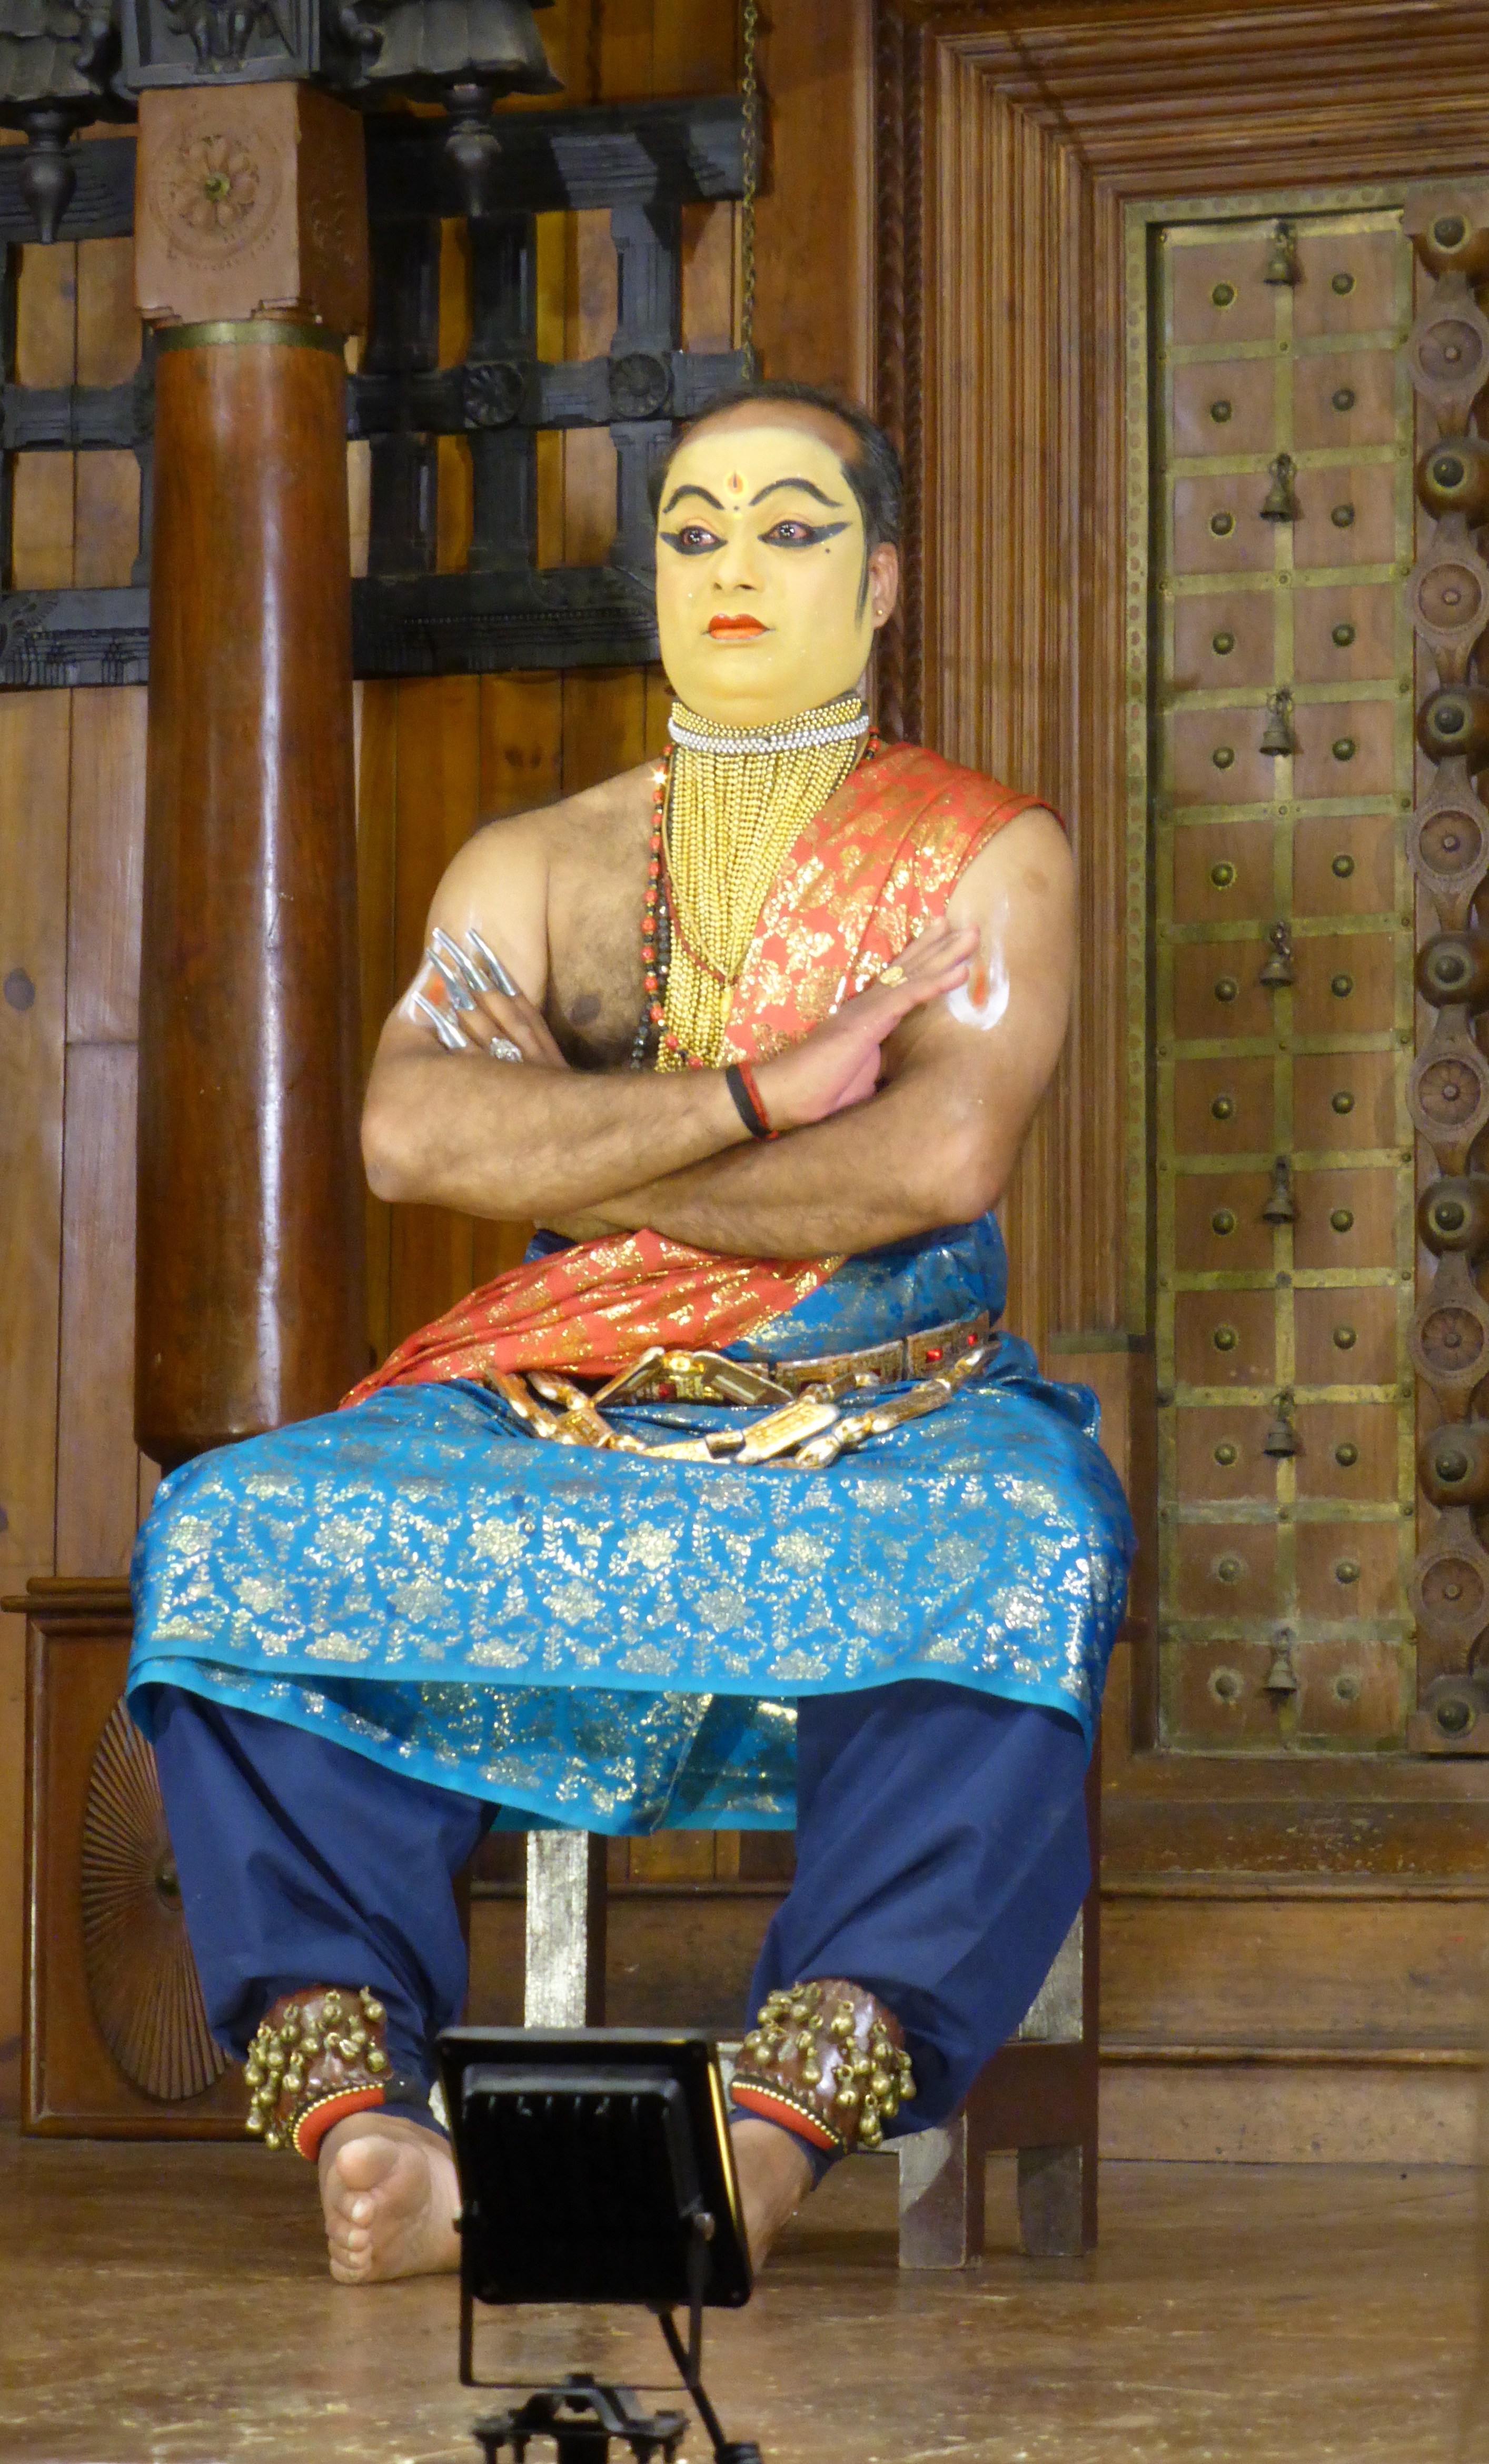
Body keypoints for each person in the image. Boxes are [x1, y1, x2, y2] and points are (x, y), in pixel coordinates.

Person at [127, 379, 1133, 2287]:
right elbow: (409, 1135)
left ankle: (771, 2129)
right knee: (232, 1530)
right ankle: (372, 2127)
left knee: (1031, 1538)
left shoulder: (983, 859)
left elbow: (928, 1162)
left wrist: (580, 1154)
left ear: (882, 577)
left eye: (790, 527)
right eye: (692, 531)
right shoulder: (535, 865)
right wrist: (758, 1099)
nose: (733, 564)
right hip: (559, 1400)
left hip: (881, 1406)